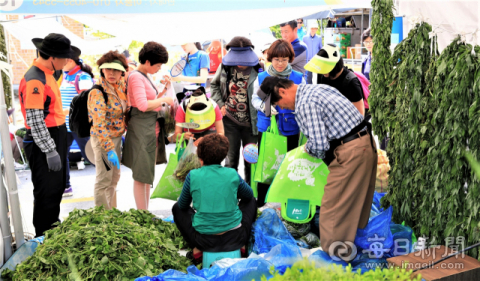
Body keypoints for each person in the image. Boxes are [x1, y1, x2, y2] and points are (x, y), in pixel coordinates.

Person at [258, 76, 377, 261]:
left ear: (282, 91)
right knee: (355, 204)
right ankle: (352, 251)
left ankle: (334, 260)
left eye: (277, 103)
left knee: (332, 208)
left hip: (350, 150)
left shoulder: (304, 104)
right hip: (364, 144)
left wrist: (306, 149)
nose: (281, 108)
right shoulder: (317, 89)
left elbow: (319, 146)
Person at [19, 33, 78, 237]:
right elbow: (35, 121)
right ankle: (44, 237)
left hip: (56, 134)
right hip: (44, 138)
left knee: (56, 188)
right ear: (51, 57)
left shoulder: (49, 72)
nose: (67, 62)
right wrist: (50, 150)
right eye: (64, 57)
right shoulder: (35, 79)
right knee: (47, 192)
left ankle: (53, 229)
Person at [172, 134, 257, 264]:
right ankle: (243, 245)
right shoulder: (232, 173)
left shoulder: (192, 175)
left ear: (200, 159)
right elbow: (249, 195)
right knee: (251, 201)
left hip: (203, 240)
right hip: (235, 237)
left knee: (177, 208)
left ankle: (197, 249)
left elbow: (183, 205)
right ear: (224, 156)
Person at [252, 39, 304, 207]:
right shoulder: (261, 77)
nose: (280, 63)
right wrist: (265, 107)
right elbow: (254, 99)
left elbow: (303, 100)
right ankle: (262, 205)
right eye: (276, 59)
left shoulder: (298, 77)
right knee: (266, 168)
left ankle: (288, 204)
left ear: (290, 59)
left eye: (284, 59)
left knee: (290, 167)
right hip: (267, 129)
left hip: (290, 128)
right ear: (270, 58)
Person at [122, 42, 173, 211]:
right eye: (158, 65)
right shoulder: (136, 76)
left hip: (150, 128)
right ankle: (142, 213)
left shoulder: (144, 76)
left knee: (146, 173)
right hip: (142, 128)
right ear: (148, 62)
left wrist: (164, 89)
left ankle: (145, 212)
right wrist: (164, 100)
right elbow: (143, 105)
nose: (159, 69)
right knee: (141, 175)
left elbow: (149, 100)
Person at [210, 36, 260, 185]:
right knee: (230, 161)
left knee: (251, 161)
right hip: (229, 121)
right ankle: (231, 194)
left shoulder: (259, 69)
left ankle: (250, 196)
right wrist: (220, 104)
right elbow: (214, 86)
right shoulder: (225, 67)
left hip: (252, 124)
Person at [87, 50, 128, 210]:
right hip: (104, 140)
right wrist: (109, 148)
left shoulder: (119, 87)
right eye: (108, 69)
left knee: (113, 179)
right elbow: (99, 125)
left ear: (122, 72)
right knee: (104, 179)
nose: (111, 73)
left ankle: (112, 214)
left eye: (116, 70)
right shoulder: (98, 92)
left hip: (117, 139)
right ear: (102, 70)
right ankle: (102, 218)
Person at [60, 51, 95, 197]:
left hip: (79, 124)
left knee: (92, 156)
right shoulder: (66, 76)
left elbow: (87, 101)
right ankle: (66, 186)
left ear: (70, 60)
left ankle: (109, 180)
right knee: (62, 155)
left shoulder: (83, 76)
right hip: (65, 124)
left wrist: (67, 111)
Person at [305, 44, 365, 117]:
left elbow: (360, 114)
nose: (322, 70)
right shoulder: (322, 75)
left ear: (335, 65)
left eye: (325, 66)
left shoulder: (351, 82)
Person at [303, 19, 323, 84]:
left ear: (316, 29)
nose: (313, 30)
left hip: (316, 59)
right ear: (310, 28)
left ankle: (319, 86)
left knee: (319, 75)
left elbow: (321, 48)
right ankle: (309, 87)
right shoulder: (305, 38)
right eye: (312, 28)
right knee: (308, 76)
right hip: (308, 60)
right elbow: (303, 48)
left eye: (315, 28)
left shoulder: (319, 38)